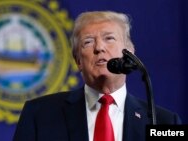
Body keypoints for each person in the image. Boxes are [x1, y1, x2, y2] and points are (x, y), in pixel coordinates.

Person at [13, 11, 182, 141]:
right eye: (88, 42)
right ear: (78, 60)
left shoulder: (166, 122)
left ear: (130, 54)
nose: (99, 47)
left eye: (109, 38)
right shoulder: (39, 114)